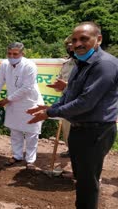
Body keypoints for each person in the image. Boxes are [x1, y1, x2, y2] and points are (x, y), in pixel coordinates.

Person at [27, 21, 118, 209]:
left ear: (98, 39)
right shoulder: (80, 62)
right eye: (74, 40)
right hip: (79, 130)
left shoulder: (105, 65)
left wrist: (50, 113)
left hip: (95, 133)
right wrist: (52, 106)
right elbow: (70, 94)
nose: (77, 44)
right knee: (81, 179)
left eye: (84, 39)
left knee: (87, 184)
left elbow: (86, 102)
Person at [0, 42, 44, 169]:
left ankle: (30, 160)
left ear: (22, 54)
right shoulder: (4, 64)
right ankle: (17, 155)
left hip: (30, 102)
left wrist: (7, 99)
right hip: (13, 103)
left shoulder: (30, 66)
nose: (12, 56)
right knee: (15, 130)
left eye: (15, 54)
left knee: (31, 132)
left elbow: (27, 88)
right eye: (9, 53)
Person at [47, 37, 76, 158]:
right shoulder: (66, 64)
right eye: (68, 47)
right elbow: (59, 82)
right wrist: (57, 86)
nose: (70, 49)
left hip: (83, 104)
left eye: (72, 46)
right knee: (67, 129)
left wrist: (67, 86)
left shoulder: (87, 65)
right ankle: (71, 150)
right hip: (66, 102)